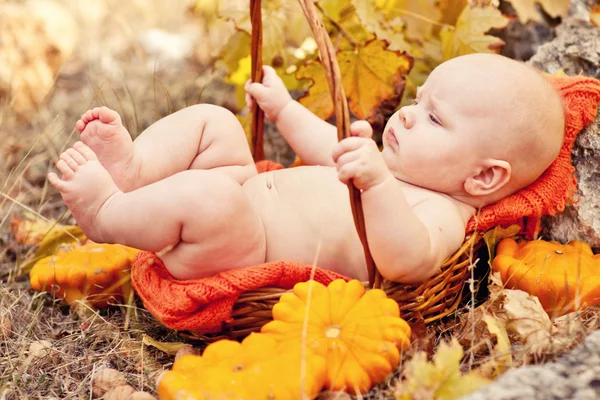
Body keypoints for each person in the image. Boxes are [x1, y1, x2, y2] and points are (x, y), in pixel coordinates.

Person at [48, 53, 565, 283]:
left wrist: (379, 183)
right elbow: (324, 145)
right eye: (419, 96)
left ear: (483, 178)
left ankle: (107, 212)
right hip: (246, 187)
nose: (407, 112)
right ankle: (135, 171)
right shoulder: (390, 161)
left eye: (433, 116)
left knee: (212, 197)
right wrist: (282, 108)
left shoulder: (440, 211)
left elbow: (407, 261)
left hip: (240, 246)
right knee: (214, 122)